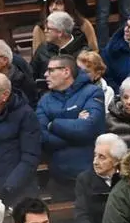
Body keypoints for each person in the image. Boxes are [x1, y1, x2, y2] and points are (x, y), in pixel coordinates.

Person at [36, 54, 105, 199]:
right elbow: (42, 137)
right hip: (59, 178)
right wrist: (75, 130)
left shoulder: (92, 92)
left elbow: (87, 129)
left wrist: (53, 124)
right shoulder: (45, 100)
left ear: (66, 72)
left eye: (50, 70)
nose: (45, 74)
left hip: (90, 176)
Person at [0, 72, 41, 205]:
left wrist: (10, 186)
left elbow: (30, 156)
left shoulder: (26, 115)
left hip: (18, 187)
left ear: (4, 95)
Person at [75, 133, 126, 223]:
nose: (95, 162)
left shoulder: (127, 179)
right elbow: (82, 214)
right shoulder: (84, 179)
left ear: (116, 161)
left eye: (102, 157)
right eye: (95, 155)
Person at [32, 0, 98, 56]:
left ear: (68, 6)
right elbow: (37, 56)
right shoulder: (40, 29)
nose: (54, 7)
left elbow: (94, 50)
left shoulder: (83, 24)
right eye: (50, 4)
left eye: (58, 3)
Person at [31, 11, 88, 82]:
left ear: (60, 32)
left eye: (48, 29)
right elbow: (32, 76)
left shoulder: (83, 53)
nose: (45, 31)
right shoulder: (42, 49)